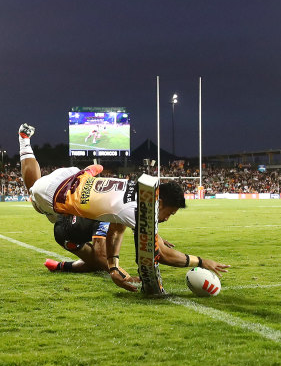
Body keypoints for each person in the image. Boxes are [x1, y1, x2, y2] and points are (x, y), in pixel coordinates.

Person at [18, 123, 229, 291]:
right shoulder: (140, 211)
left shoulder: (140, 189)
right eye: (169, 213)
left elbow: (117, 226)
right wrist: (200, 261)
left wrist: (114, 265)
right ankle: (23, 141)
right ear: (160, 202)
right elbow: (162, 255)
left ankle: (35, 147)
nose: (166, 218)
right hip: (57, 194)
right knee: (35, 196)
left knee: (46, 197)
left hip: (74, 175)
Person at [45, 215, 225, 275]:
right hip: (67, 234)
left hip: (76, 221)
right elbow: (101, 256)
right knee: (99, 263)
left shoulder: (120, 209)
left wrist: (157, 238)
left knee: (101, 262)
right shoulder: (106, 220)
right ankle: (62, 266)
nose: (166, 218)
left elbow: (137, 223)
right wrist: (123, 274)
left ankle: (59, 266)